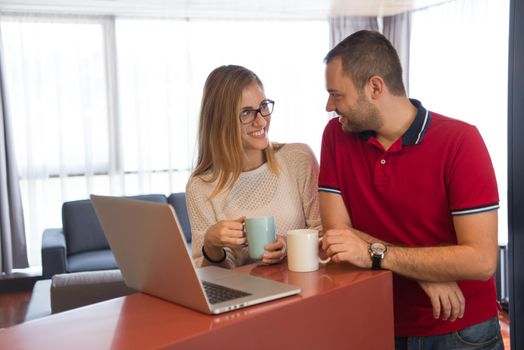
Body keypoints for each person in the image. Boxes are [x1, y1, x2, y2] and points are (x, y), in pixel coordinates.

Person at [319, 30, 503, 349]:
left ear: (375, 87)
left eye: (337, 94)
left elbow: (481, 259)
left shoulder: (461, 141)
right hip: (378, 322)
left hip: (461, 330)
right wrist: (425, 274)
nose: (329, 106)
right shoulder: (336, 136)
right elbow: (338, 233)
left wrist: (377, 253)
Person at [186, 65, 321, 269]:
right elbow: (212, 281)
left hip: (305, 288)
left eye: (264, 106)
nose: (261, 121)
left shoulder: (298, 159)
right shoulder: (200, 187)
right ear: (220, 122)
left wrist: (288, 245)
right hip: (247, 297)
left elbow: (326, 233)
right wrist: (211, 245)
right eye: (247, 113)